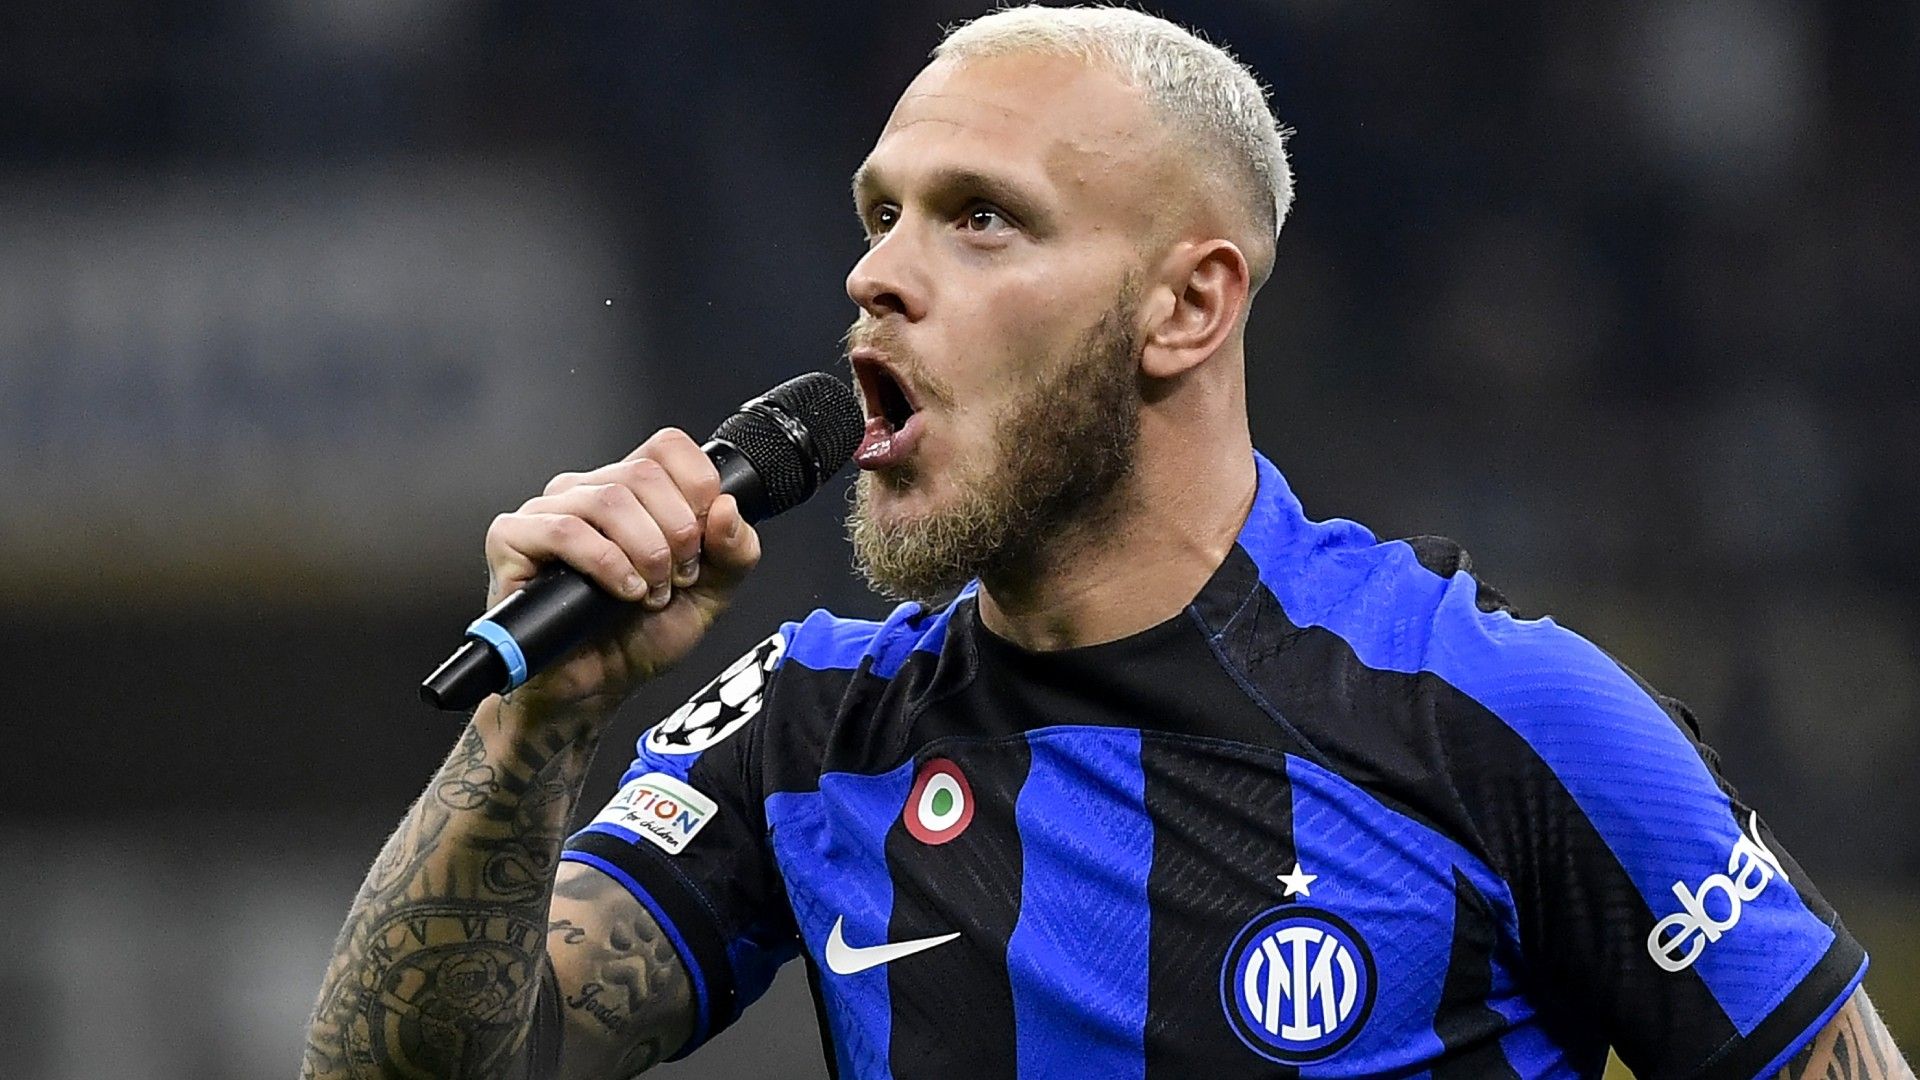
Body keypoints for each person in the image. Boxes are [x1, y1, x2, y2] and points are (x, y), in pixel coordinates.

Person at [304, 6, 1913, 1078]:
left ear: (1188, 306)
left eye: (981, 217)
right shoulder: (810, 726)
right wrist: (531, 735)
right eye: (881, 214)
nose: (877, 275)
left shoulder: (1498, 715)